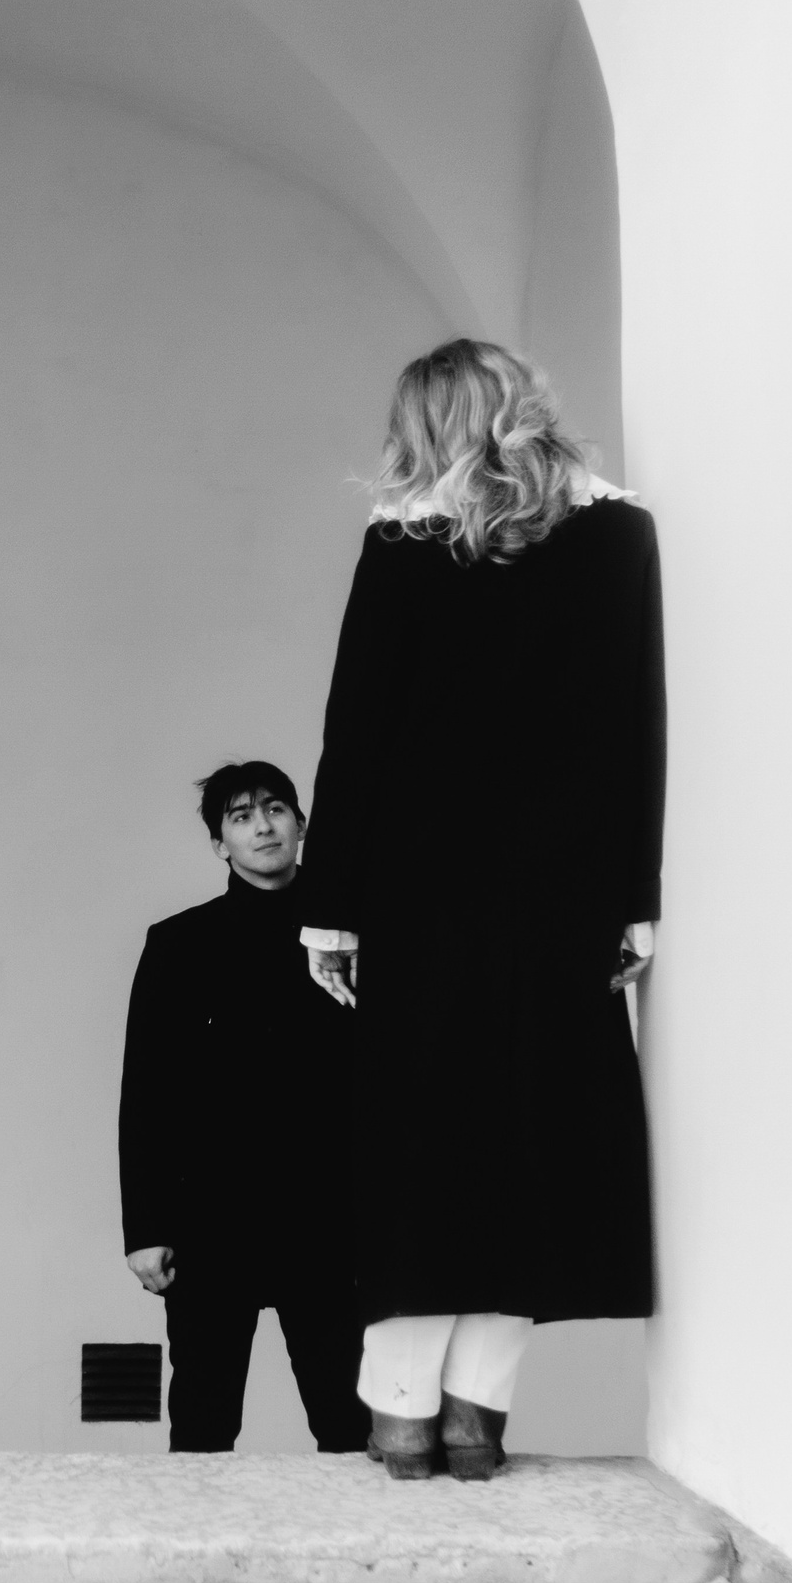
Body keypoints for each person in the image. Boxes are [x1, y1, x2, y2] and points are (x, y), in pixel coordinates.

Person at [298, 340, 664, 1482]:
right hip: (561, 893)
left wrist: (329, 910)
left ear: (425, 426)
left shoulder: (403, 546)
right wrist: (633, 899)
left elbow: (357, 734)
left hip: (419, 890)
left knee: (422, 1144)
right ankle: (474, 1419)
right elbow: (637, 723)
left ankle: (403, 1415)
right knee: (531, 1141)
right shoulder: (621, 534)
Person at [118, 762, 368, 1454]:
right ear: (219, 843)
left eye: (275, 808)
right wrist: (145, 1227)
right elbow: (147, 1093)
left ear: (301, 824)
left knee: (350, 1427)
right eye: (241, 815)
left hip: (328, 1220)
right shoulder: (179, 943)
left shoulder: (351, 938)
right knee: (203, 1425)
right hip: (210, 1221)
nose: (262, 826)